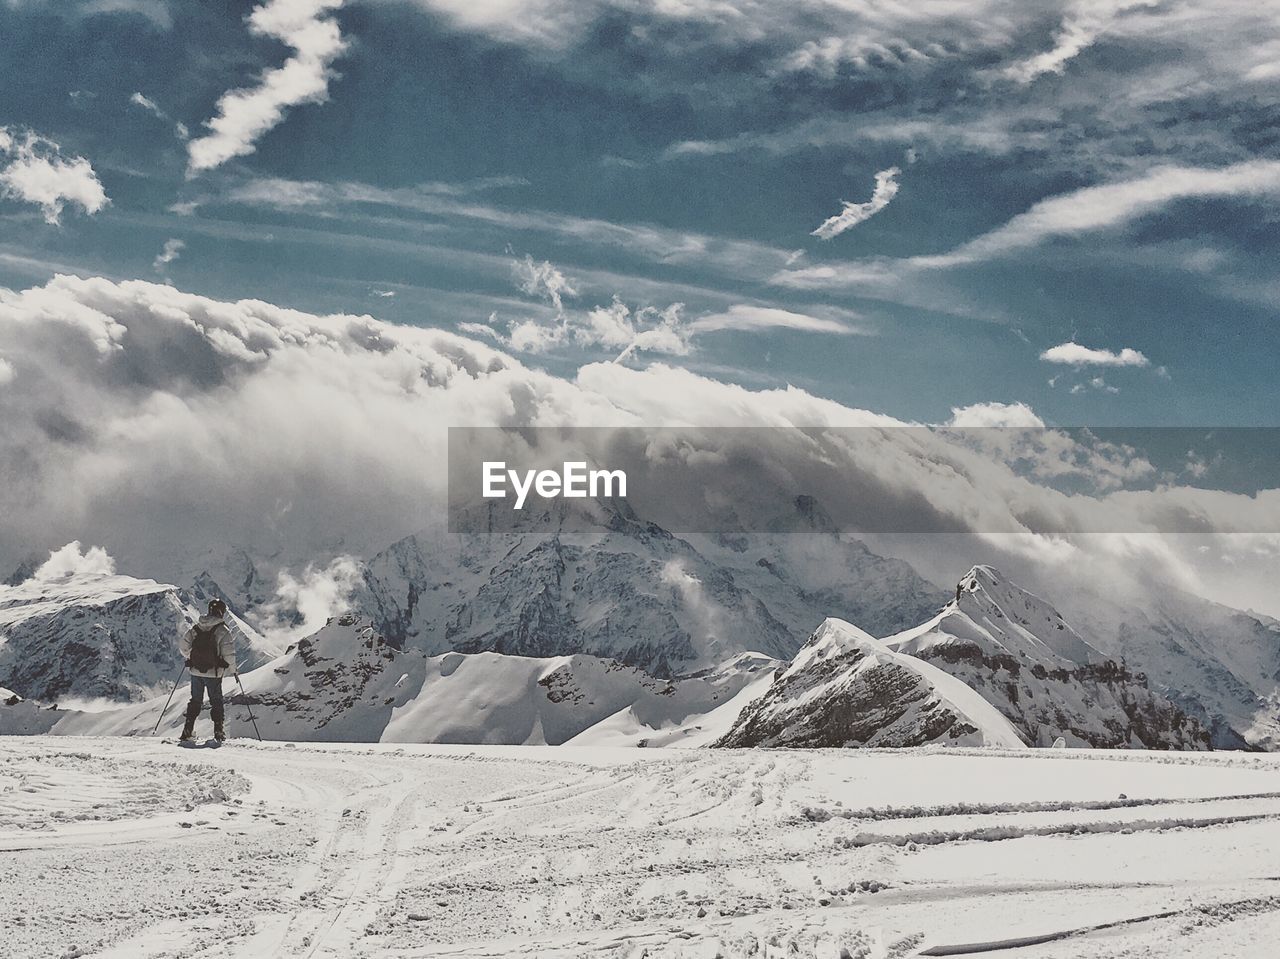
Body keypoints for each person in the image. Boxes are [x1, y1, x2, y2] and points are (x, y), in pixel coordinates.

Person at [178, 599, 237, 742]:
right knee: (216, 701)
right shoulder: (223, 630)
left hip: (196, 671)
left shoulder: (196, 628)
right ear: (222, 612)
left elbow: (184, 647)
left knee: (195, 701)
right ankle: (218, 731)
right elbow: (229, 654)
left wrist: (192, 658)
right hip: (214, 672)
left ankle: (187, 731)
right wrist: (233, 670)